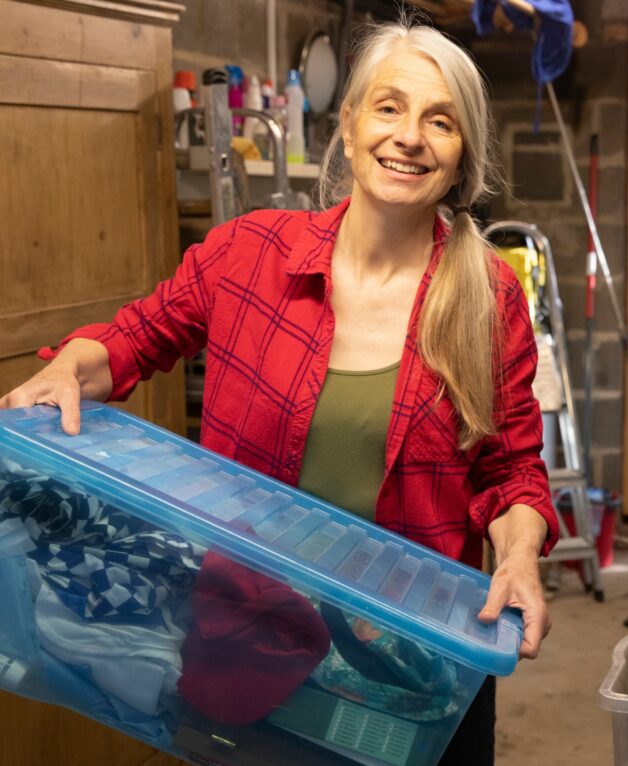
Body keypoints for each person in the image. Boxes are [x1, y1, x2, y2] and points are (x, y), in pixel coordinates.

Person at [0, 17, 557, 763]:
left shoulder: (490, 298)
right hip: (250, 644)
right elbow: (138, 337)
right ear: (351, 123)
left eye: (440, 121)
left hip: (415, 662)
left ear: (462, 158)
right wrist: (71, 364)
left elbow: (511, 468)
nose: (410, 137)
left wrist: (519, 556)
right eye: (389, 108)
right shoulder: (249, 254)